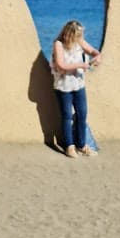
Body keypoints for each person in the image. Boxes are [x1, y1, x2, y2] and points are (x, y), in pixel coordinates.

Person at [50, 20, 100, 158]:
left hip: (78, 84)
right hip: (63, 86)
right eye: (77, 35)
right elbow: (61, 65)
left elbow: (92, 50)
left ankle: (82, 145)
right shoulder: (58, 44)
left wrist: (97, 55)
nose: (80, 38)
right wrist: (82, 65)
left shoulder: (79, 42)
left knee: (82, 115)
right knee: (67, 116)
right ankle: (69, 146)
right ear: (69, 34)